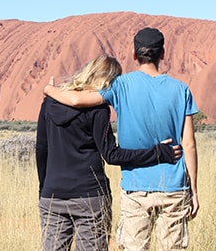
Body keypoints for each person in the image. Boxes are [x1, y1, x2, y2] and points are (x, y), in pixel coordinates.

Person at [44, 27, 199, 250]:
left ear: (135, 55)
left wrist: (49, 90)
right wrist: (193, 190)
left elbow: (77, 101)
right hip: (174, 187)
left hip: (136, 188)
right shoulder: (181, 90)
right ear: (162, 54)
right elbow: (189, 144)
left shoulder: (120, 86)